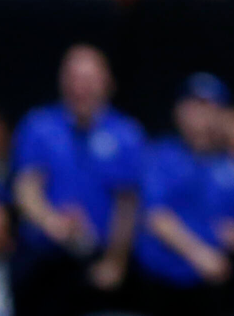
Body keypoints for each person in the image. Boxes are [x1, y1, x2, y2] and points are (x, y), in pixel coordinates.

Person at [10, 44, 145, 316]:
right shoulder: (39, 125)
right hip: (42, 259)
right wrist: (53, 222)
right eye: (74, 78)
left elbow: (127, 204)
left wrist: (115, 261)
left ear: (107, 83)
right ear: (62, 82)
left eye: (89, 79)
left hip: (96, 262)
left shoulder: (126, 134)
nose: (81, 87)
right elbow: (26, 188)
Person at [134, 74, 234, 316]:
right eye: (194, 106)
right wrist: (200, 254)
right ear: (179, 110)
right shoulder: (161, 156)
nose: (202, 116)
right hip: (163, 285)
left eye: (210, 107)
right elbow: (156, 217)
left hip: (216, 291)